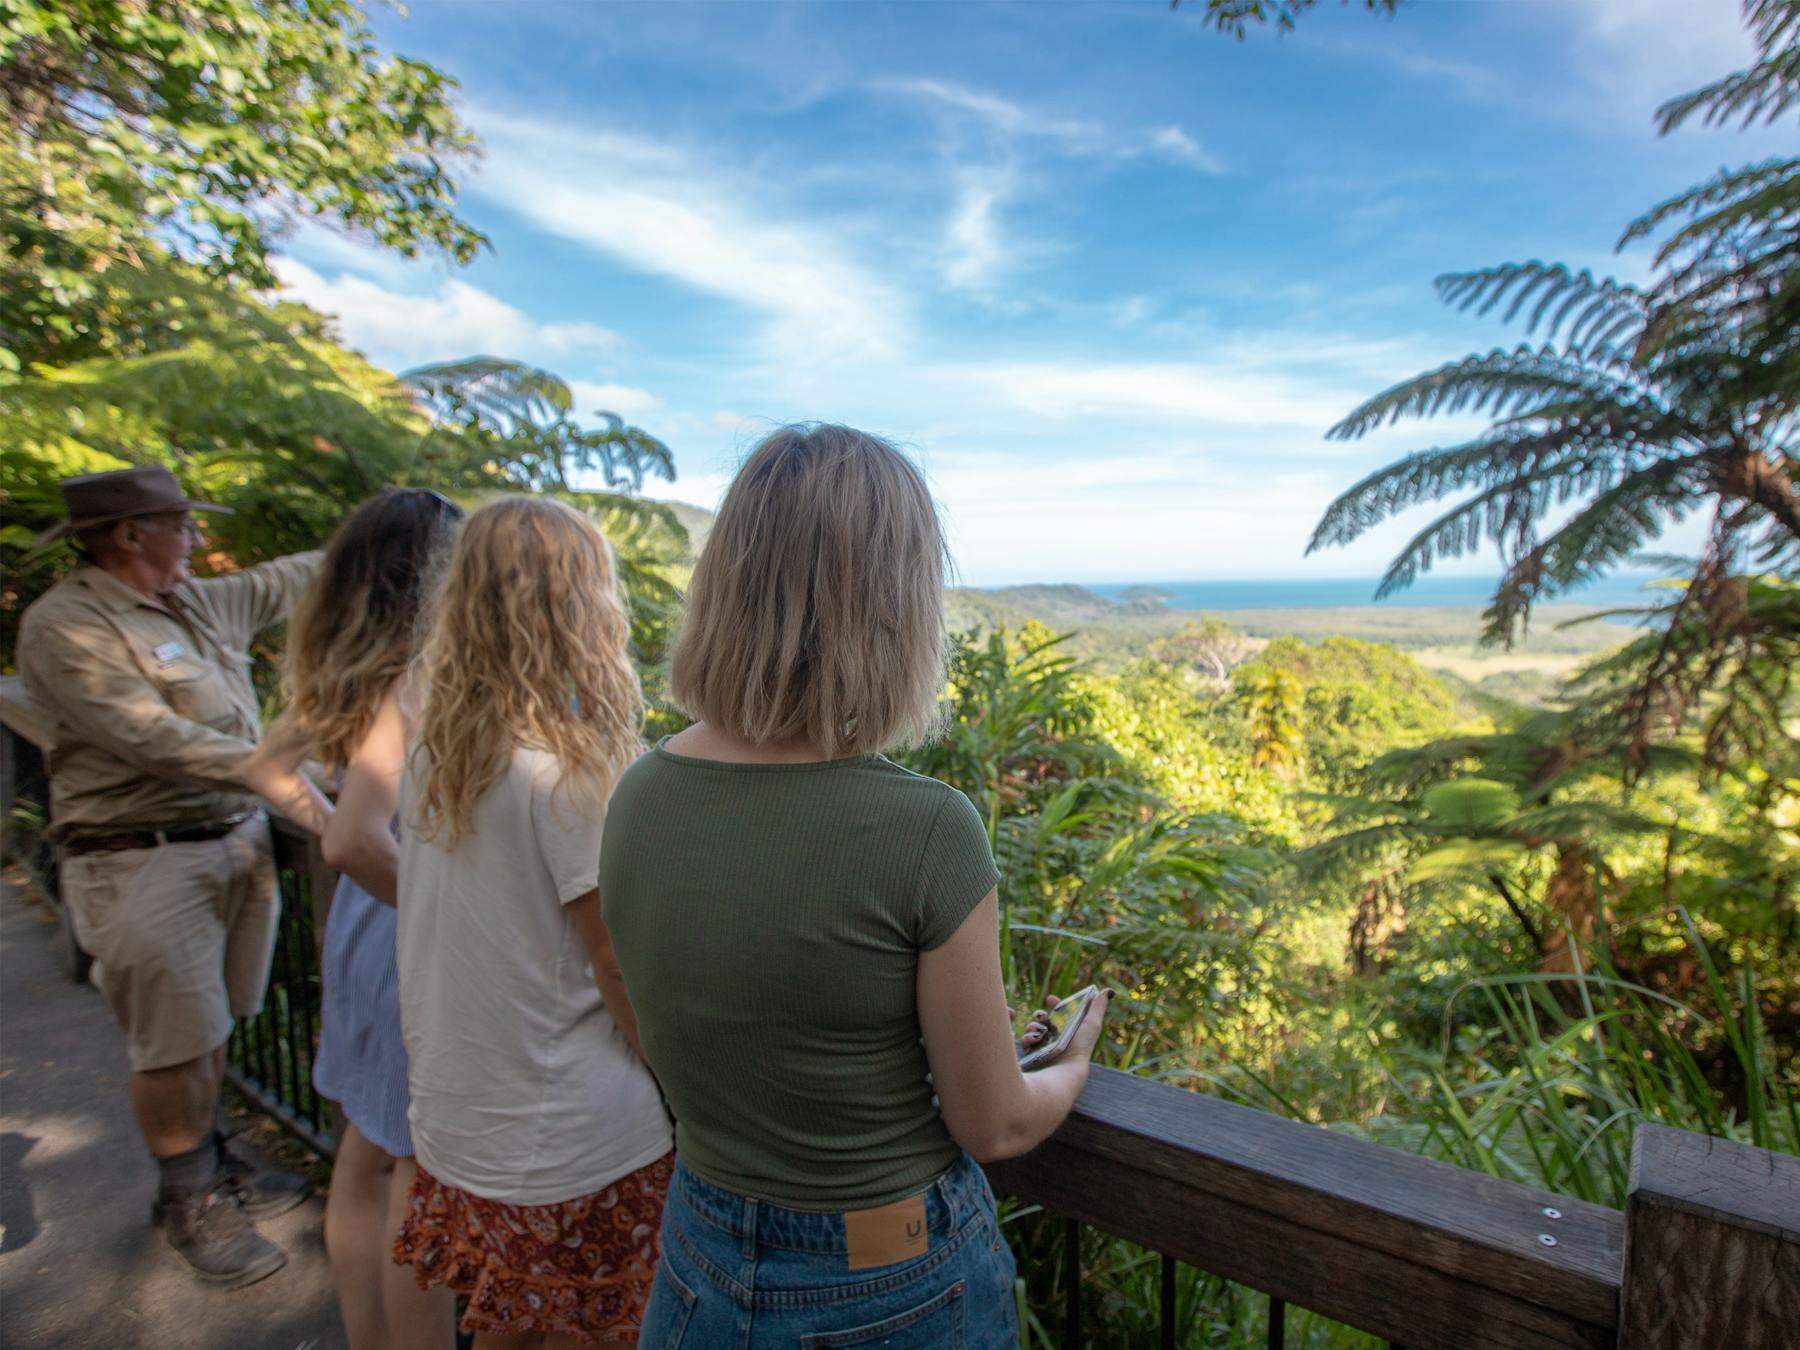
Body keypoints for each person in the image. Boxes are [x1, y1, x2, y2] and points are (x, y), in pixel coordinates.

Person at [599, 423, 1110, 1348]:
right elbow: (994, 1124)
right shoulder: (925, 828)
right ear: (892, 604)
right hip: (887, 1288)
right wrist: (1071, 1064)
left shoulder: (639, 794)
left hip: (698, 1254)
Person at [17, 464, 319, 1288]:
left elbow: (297, 577)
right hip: (141, 857)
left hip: (234, 844)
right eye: (182, 525)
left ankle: (213, 1162)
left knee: (212, 1026)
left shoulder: (195, 602)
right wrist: (278, 769)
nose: (196, 538)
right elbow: (151, 737)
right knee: (173, 1042)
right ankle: (189, 1201)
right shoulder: (65, 627)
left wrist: (406, 529)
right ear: (129, 535)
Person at [391, 496, 674, 1350]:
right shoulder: (567, 777)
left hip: (465, 1112)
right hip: (574, 1132)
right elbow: (616, 963)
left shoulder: (438, 753)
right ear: (584, 607)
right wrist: (684, 1085)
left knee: (510, 1322)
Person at [242, 487, 463, 1348]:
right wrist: (444, 917)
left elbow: (264, 767)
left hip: (360, 933)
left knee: (365, 1151)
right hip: (408, 929)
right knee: (418, 1162)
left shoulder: (347, 662)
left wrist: (328, 818)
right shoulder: (421, 673)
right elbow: (353, 844)